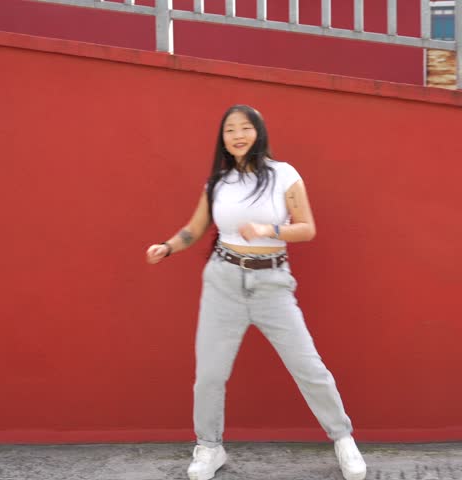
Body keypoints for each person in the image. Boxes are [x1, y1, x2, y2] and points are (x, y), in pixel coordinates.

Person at [145, 104, 367, 480]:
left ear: (258, 132)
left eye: (244, 128)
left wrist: (269, 231)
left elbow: (307, 228)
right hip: (223, 282)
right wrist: (167, 247)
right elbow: (195, 228)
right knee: (210, 375)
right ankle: (209, 447)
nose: (237, 135)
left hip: (272, 284)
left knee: (308, 367)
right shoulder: (218, 183)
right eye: (229, 130)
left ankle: (343, 438)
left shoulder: (284, 175)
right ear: (223, 139)